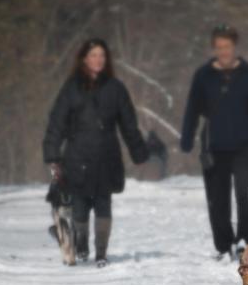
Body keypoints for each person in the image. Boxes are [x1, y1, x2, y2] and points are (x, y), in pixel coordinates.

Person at [42, 38, 163, 267]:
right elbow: (56, 122)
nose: (98, 60)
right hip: (76, 156)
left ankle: (101, 254)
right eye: (93, 55)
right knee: (79, 206)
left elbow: (129, 124)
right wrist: (52, 153)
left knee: (103, 204)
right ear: (84, 59)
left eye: (101, 56)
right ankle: (81, 246)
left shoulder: (115, 88)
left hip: (107, 154)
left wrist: (139, 152)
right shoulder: (71, 88)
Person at [180, 24, 248, 262]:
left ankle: (245, 240)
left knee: (242, 193)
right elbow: (192, 109)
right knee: (217, 199)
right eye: (219, 47)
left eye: (228, 47)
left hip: (244, 145)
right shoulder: (203, 75)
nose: (224, 51)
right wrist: (187, 138)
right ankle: (223, 245)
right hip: (213, 147)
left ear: (235, 47)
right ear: (214, 48)